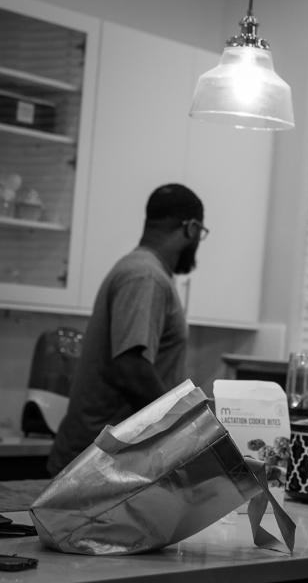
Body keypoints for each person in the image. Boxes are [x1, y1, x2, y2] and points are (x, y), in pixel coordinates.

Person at [47, 183, 208, 476]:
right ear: (191, 229)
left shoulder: (140, 270)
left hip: (103, 462)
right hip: (97, 467)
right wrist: (181, 429)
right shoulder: (145, 276)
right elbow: (130, 368)